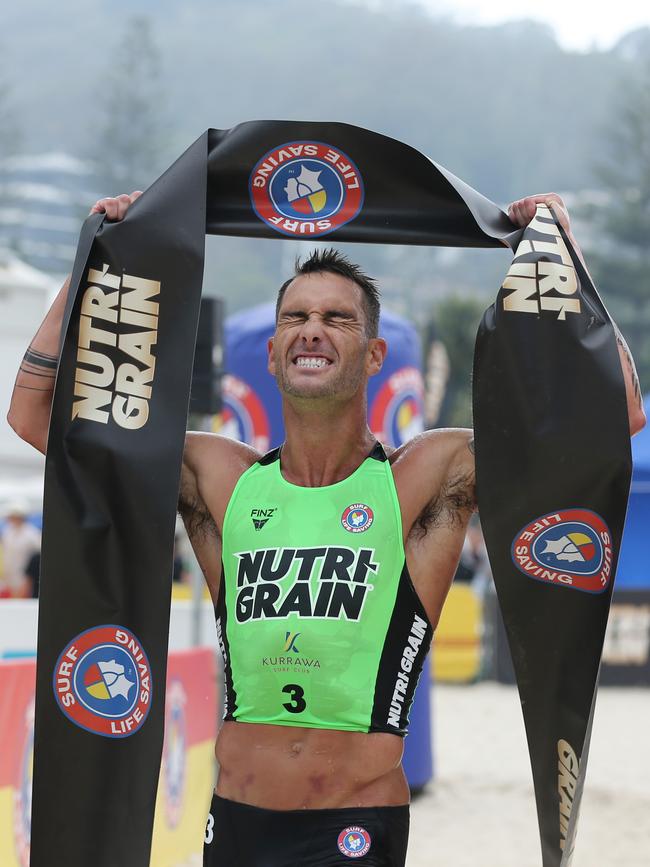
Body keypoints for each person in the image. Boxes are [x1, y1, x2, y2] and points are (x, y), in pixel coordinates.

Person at [7, 191, 645, 866]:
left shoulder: (425, 476)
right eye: (297, 317)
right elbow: (33, 415)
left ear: (373, 355)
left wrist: (561, 260)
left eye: (336, 318)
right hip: (236, 823)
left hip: (354, 826)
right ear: (276, 349)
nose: (312, 329)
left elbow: (612, 421)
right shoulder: (219, 477)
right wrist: (97, 257)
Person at [0, 501, 41, 598]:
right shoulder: (7, 532)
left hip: (24, 578)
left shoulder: (32, 534)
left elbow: (37, 556)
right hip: (9, 577)